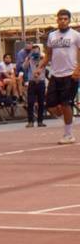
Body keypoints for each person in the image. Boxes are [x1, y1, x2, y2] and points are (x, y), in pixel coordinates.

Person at [38, 9, 80, 144]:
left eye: (65, 19)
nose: (62, 21)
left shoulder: (75, 35)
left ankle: (68, 134)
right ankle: (68, 119)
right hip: (55, 74)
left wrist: (78, 69)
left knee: (66, 103)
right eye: (60, 19)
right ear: (57, 20)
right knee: (51, 106)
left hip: (70, 74)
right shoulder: (52, 36)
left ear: (69, 20)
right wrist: (40, 67)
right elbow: (48, 55)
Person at [23, 46, 47, 128]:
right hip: (32, 82)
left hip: (41, 82)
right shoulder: (30, 58)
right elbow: (24, 67)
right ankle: (30, 121)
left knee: (41, 102)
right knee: (30, 102)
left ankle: (40, 121)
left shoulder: (43, 57)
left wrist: (42, 58)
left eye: (37, 51)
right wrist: (28, 58)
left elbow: (45, 65)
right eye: (34, 51)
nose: (36, 53)